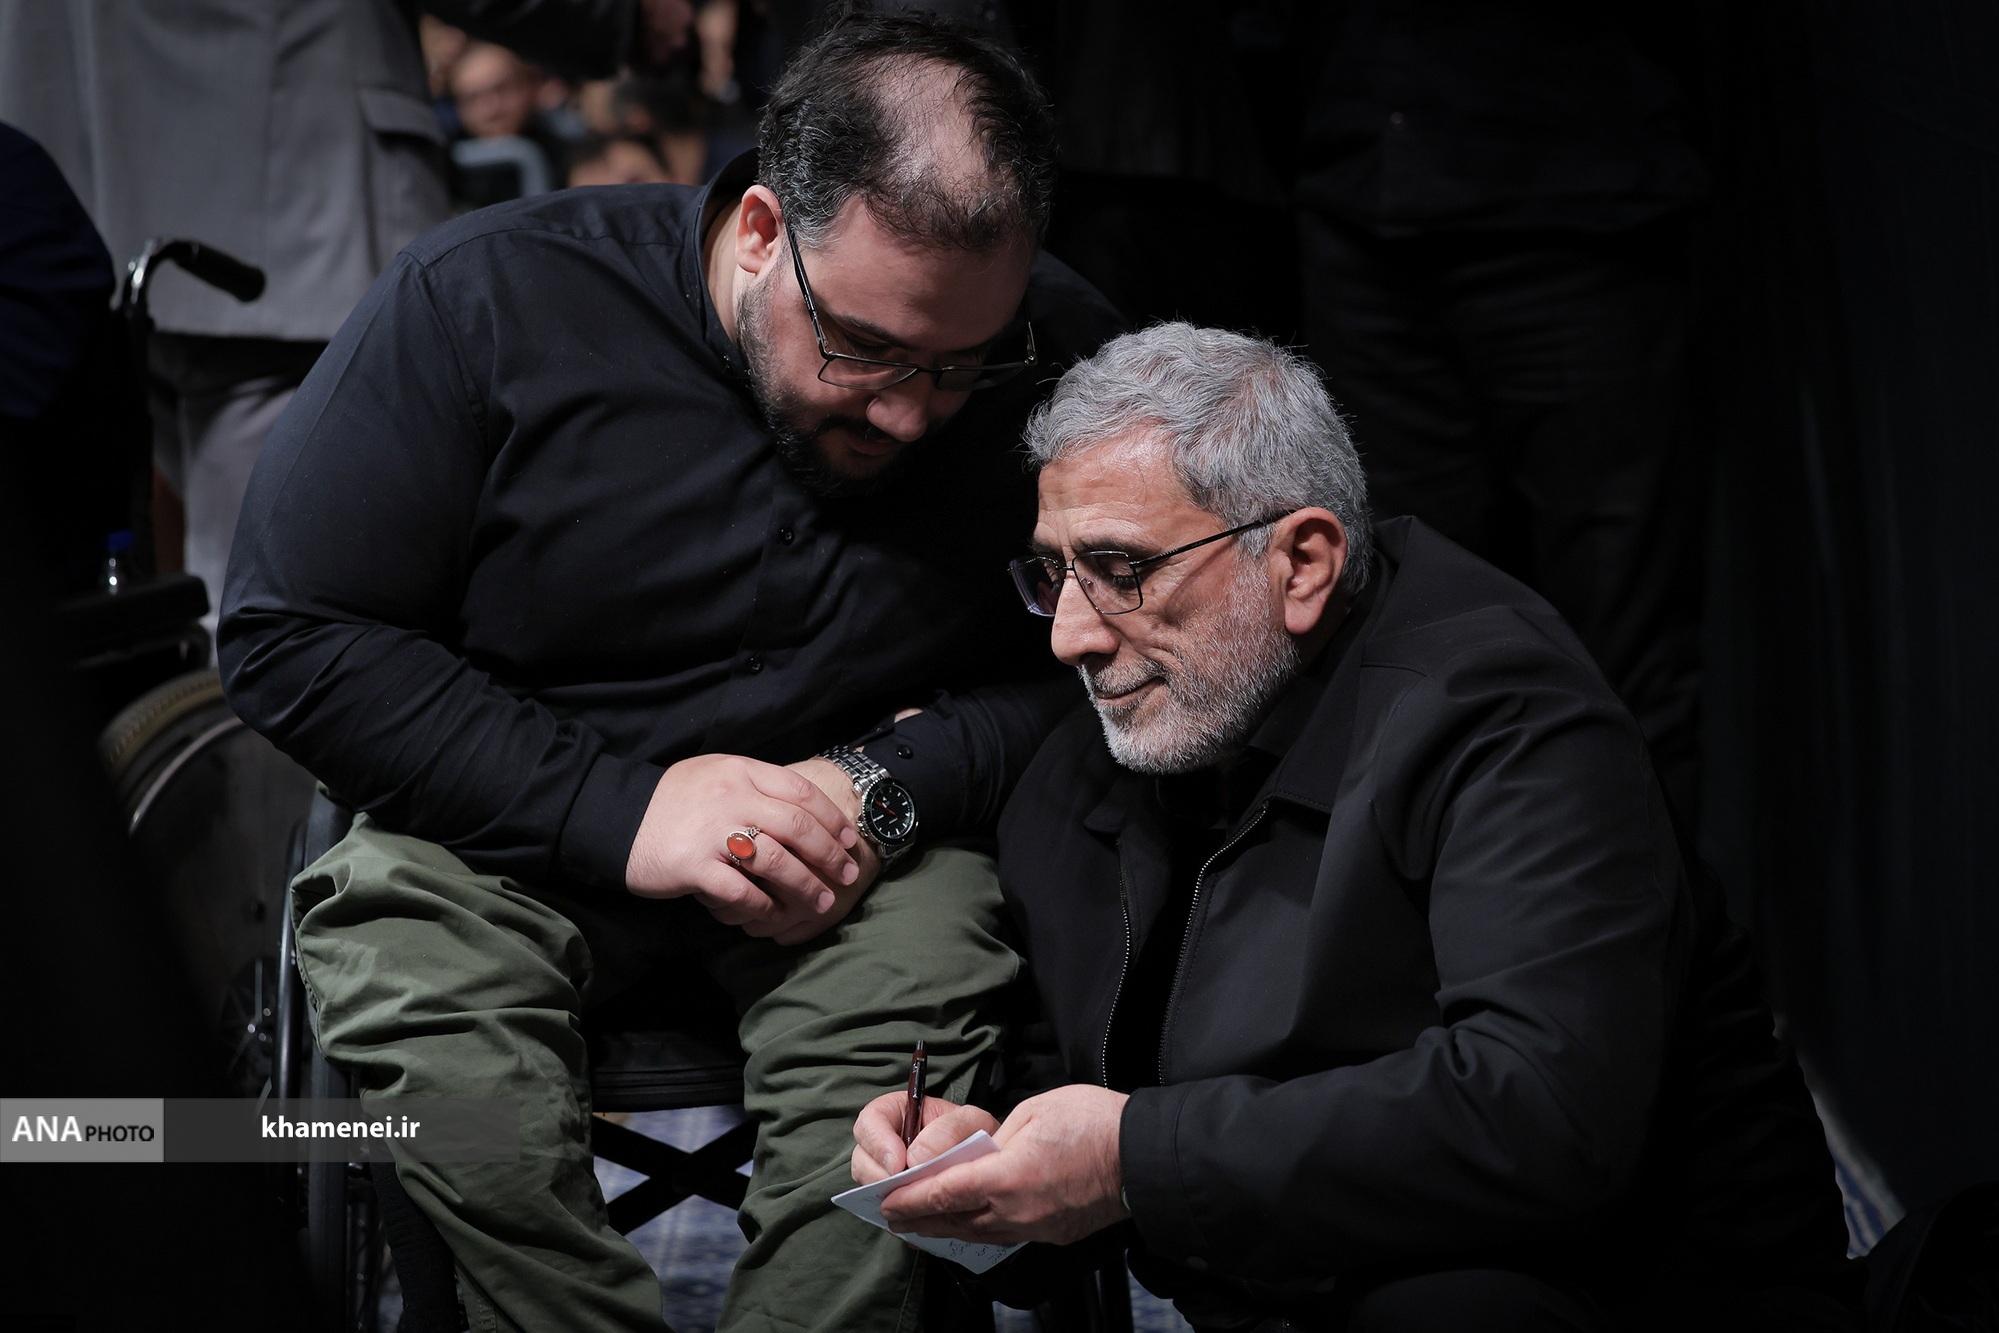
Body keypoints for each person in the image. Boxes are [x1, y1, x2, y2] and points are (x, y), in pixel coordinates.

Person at [219, 11, 1117, 1332]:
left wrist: (886, 783)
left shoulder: (1061, 353)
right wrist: (625, 810)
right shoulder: (484, 300)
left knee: (906, 1057)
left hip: (860, 855)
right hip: (496, 830)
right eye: (864, 348)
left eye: (957, 366)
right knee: (438, 1045)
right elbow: (290, 631)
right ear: (759, 231)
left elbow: (1117, 670)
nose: (909, 411)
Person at [852, 324, 1858, 1332]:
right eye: (1053, 573)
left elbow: (1546, 1117)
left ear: (1301, 564)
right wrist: (982, 1161)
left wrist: (1132, 1157)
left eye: (1122, 568)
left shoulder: (1508, 717)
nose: (1071, 633)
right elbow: (1078, 1111)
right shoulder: (1097, 757)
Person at [0, 0, 693, 630]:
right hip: (278, 198)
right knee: (294, 612)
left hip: (94, 191)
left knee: (242, 593)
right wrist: (620, 14)